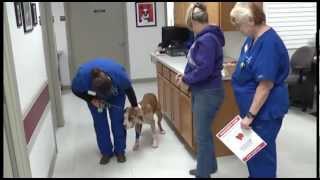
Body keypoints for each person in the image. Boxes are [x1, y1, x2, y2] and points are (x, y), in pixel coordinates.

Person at [230, 2, 290, 178]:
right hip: (254, 111)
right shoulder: (252, 38)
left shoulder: (269, 43)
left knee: (262, 156)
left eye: (239, 24)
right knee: (253, 154)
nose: (238, 29)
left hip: (264, 113)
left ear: (251, 20)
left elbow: (265, 86)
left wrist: (250, 116)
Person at [176, 2, 225, 178]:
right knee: (204, 132)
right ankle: (209, 166)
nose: (191, 29)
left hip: (207, 93)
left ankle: (203, 173)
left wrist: (186, 79)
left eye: (191, 26)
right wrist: (186, 77)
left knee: (201, 136)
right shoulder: (207, 37)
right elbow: (201, 66)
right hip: (206, 91)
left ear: (194, 23)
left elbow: (204, 70)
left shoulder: (206, 40)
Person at [71, 58, 138, 165]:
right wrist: (91, 99)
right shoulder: (83, 77)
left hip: (117, 95)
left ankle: (120, 151)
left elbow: (128, 89)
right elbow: (75, 90)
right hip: (93, 97)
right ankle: (106, 153)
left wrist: (135, 106)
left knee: (117, 121)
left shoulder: (118, 74)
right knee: (100, 123)